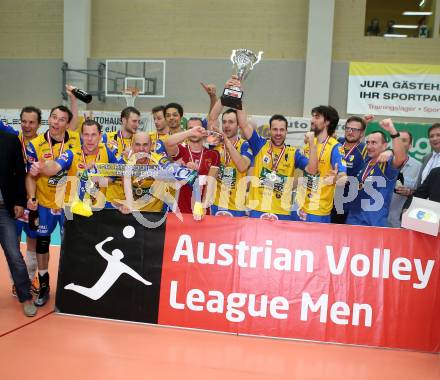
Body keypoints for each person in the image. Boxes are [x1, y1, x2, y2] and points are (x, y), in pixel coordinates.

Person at [25, 105, 81, 307]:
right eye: (53, 117)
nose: (56, 122)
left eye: (61, 119)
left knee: (73, 245)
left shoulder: (76, 140)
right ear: (48, 119)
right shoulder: (36, 144)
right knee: (42, 244)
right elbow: (30, 176)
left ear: (67, 123)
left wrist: (41, 167)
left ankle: (70, 285)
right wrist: (32, 197)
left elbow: (55, 167)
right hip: (46, 203)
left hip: (69, 204)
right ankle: (44, 285)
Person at [30, 120, 120, 213]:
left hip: (97, 209)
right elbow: (55, 167)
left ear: (100, 136)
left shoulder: (106, 151)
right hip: (74, 211)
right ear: (81, 136)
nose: (89, 139)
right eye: (86, 134)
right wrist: (43, 166)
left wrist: (99, 181)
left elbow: (114, 175)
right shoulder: (71, 153)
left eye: (93, 135)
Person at [0, 130, 37, 316]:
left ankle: (26, 297)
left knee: (14, 255)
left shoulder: (9, 140)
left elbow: (19, 174)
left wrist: (20, 202)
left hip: (3, 209)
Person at [346, 119, 407, 227]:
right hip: (353, 220)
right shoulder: (366, 161)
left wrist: (392, 131)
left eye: (374, 143)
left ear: (384, 145)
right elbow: (354, 140)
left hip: (374, 224)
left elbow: (401, 157)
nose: (369, 146)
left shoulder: (386, 164)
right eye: (368, 142)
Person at [293, 106, 346, 223]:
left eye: (317, 117)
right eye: (313, 116)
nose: (312, 120)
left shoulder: (335, 147)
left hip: (318, 211)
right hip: (300, 206)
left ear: (327, 122)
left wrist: (335, 178)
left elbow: (344, 179)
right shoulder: (310, 144)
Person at [164, 117, 220, 218]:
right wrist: (190, 132)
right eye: (191, 128)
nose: (195, 132)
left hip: (202, 211)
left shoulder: (213, 154)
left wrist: (202, 207)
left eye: (198, 129)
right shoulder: (181, 150)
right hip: (180, 210)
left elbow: (210, 183)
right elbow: (168, 143)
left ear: (204, 131)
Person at [207, 97, 254, 217]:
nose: (226, 126)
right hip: (215, 204)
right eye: (224, 122)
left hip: (237, 207)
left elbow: (242, 166)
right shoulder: (215, 143)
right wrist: (225, 96)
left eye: (231, 122)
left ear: (239, 125)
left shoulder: (246, 145)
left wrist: (227, 142)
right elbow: (212, 118)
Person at [14, 106, 42, 296]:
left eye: (31, 122)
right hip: (14, 203)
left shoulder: (44, 145)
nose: (27, 125)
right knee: (12, 246)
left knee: (32, 244)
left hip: (34, 203)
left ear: (39, 124)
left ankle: (30, 278)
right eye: (24, 121)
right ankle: (17, 282)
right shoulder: (12, 141)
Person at [120, 132, 169, 214]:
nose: (141, 149)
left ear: (151, 146)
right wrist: (128, 202)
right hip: (133, 212)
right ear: (132, 146)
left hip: (155, 214)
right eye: (137, 145)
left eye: (145, 145)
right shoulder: (126, 161)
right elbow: (126, 184)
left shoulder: (160, 161)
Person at [332, 116, 368, 224]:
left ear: (361, 133)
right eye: (348, 128)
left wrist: (388, 152)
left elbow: (383, 152)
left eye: (355, 130)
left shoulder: (365, 149)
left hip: (349, 204)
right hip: (329, 201)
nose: (350, 132)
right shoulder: (336, 143)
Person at [103, 107, 140, 207]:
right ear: (124, 120)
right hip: (109, 197)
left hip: (132, 197)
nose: (137, 125)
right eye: (134, 121)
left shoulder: (139, 142)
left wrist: (133, 157)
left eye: (138, 122)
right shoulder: (106, 138)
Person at [388, 131, 421, 228]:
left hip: (401, 223)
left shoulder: (419, 167)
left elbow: (421, 194)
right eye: (397, 140)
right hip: (379, 220)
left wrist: (410, 192)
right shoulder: (384, 162)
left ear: (410, 146)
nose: (400, 143)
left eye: (404, 140)